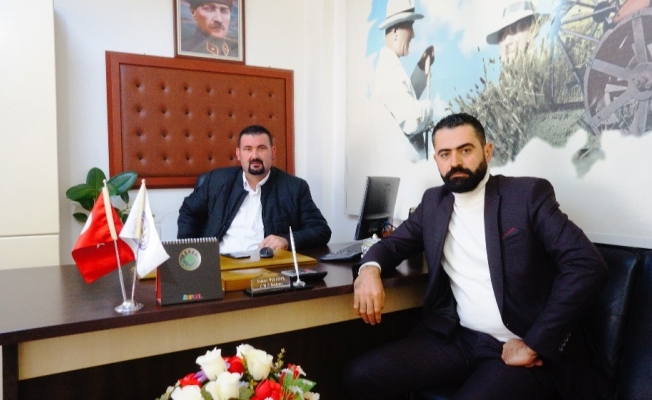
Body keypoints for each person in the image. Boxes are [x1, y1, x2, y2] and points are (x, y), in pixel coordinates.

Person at [344, 113, 609, 400]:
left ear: (487, 151)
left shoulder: (526, 196)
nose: (455, 162)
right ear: (436, 159)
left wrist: (534, 344)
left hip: (518, 345)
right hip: (460, 339)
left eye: (465, 150)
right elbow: (392, 245)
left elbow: (586, 264)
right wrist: (369, 269)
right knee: (360, 376)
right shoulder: (434, 203)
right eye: (445, 154)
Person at [177, 125, 331, 252]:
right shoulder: (217, 181)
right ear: (238, 154)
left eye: (261, 148)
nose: (255, 156)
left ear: (273, 152)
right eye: (248, 149)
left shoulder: (294, 188)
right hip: (221, 265)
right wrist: (191, 251)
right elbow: (188, 211)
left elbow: (321, 230)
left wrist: (286, 240)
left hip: (267, 269)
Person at [374, 0, 435, 159]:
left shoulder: (389, 66)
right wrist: (429, 108)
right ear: (395, 32)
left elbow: (404, 99)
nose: (413, 34)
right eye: (410, 26)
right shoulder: (389, 70)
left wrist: (422, 67)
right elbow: (411, 120)